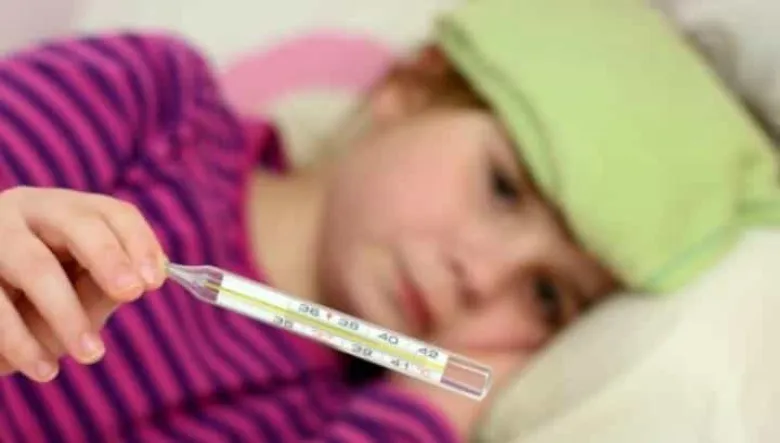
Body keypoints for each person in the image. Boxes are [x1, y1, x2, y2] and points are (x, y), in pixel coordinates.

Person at [2, 0, 777, 441]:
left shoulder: (340, 419)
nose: (483, 276)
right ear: (413, 86)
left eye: (547, 294)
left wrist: (424, 416)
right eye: (502, 188)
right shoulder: (158, 104)